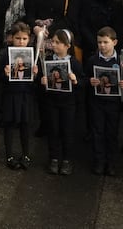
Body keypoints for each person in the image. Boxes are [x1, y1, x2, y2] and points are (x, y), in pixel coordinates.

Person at [85, 26, 123, 176]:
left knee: (111, 132)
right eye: (99, 42)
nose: (102, 45)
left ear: (114, 42)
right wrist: (90, 81)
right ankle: (99, 161)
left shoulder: (122, 62)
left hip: (113, 103)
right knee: (97, 132)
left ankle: (111, 163)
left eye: (105, 42)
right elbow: (85, 77)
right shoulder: (93, 60)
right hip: (96, 102)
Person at [40, 29, 83, 175]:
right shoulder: (48, 60)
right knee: (53, 130)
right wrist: (42, 81)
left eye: (58, 42)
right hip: (52, 102)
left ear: (67, 45)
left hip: (68, 103)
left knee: (67, 131)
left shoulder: (74, 63)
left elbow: (82, 84)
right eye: (53, 41)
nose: (54, 45)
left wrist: (75, 80)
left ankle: (67, 159)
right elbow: (40, 81)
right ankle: (53, 158)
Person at [0, 22, 38, 171]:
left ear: (29, 39)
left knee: (25, 124)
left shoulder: (33, 54)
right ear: (11, 38)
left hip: (26, 95)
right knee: (9, 124)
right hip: (10, 94)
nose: (21, 42)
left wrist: (35, 74)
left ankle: (25, 154)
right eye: (18, 38)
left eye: (24, 38)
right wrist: (5, 73)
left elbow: (36, 82)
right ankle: (9, 154)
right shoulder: (6, 54)